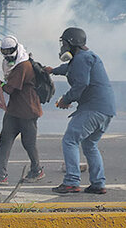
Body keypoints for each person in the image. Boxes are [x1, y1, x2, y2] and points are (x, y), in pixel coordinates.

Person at [45, 27, 116, 195]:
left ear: (71, 43)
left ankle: (71, 181)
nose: (63, 46)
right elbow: (70, 68)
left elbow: (81, 84)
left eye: (64, 43)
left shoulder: (81, 59)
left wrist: (65, 99)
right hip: (106, 110)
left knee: (70, 140)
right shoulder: (86, 57)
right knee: (90, 145)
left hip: (93, 108)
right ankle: (98, 183)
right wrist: (52, 70)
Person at [0, 35, 44, 185]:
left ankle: (37, 170)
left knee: (28, 143)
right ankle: (0, 174)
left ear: (17, 48)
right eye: (4, 52)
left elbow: (10, 88)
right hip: (14, 109)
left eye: (10, 51)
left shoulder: (23, 65)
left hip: (28, 110)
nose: (8, 55)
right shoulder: (11, 63)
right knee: (4, 140)